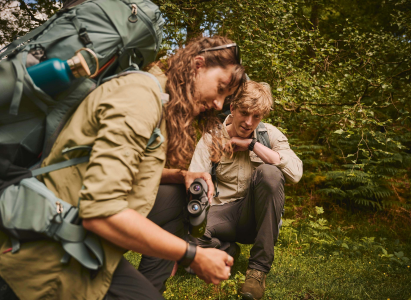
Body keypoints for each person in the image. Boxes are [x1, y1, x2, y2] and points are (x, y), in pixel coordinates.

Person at [0, 36, 246, 300]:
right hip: (50, 249)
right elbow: (102, 211)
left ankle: (153, 286)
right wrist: (193, 255)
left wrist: (181, 175)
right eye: (220, 88)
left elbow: (120, 171)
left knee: (177, 196)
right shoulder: (140, 98)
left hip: (80, 239)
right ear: (198, 65)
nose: (219, 105)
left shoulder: (158, 98)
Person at [188, 81, 303, 300]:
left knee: (270, 173)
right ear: (232, 108)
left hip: (257, 218)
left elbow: (295, 174)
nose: (249, 122)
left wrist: (252, 145)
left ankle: (257, 272)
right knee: (190, 235)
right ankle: (225, 249)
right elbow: (194, 184)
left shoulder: (270, 135)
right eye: (244, 113)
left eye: (257, 116)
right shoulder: (211, 139)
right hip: (222, 214)